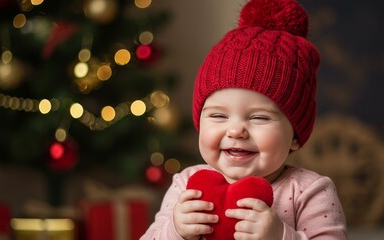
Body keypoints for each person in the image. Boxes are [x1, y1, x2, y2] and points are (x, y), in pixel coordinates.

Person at [141, 0, 348, 239]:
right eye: (219, 115)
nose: (236, 130)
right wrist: (175, 230)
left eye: (259, 117)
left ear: (295, 136)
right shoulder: (186, 185)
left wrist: (280, 235)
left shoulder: (309, 191)